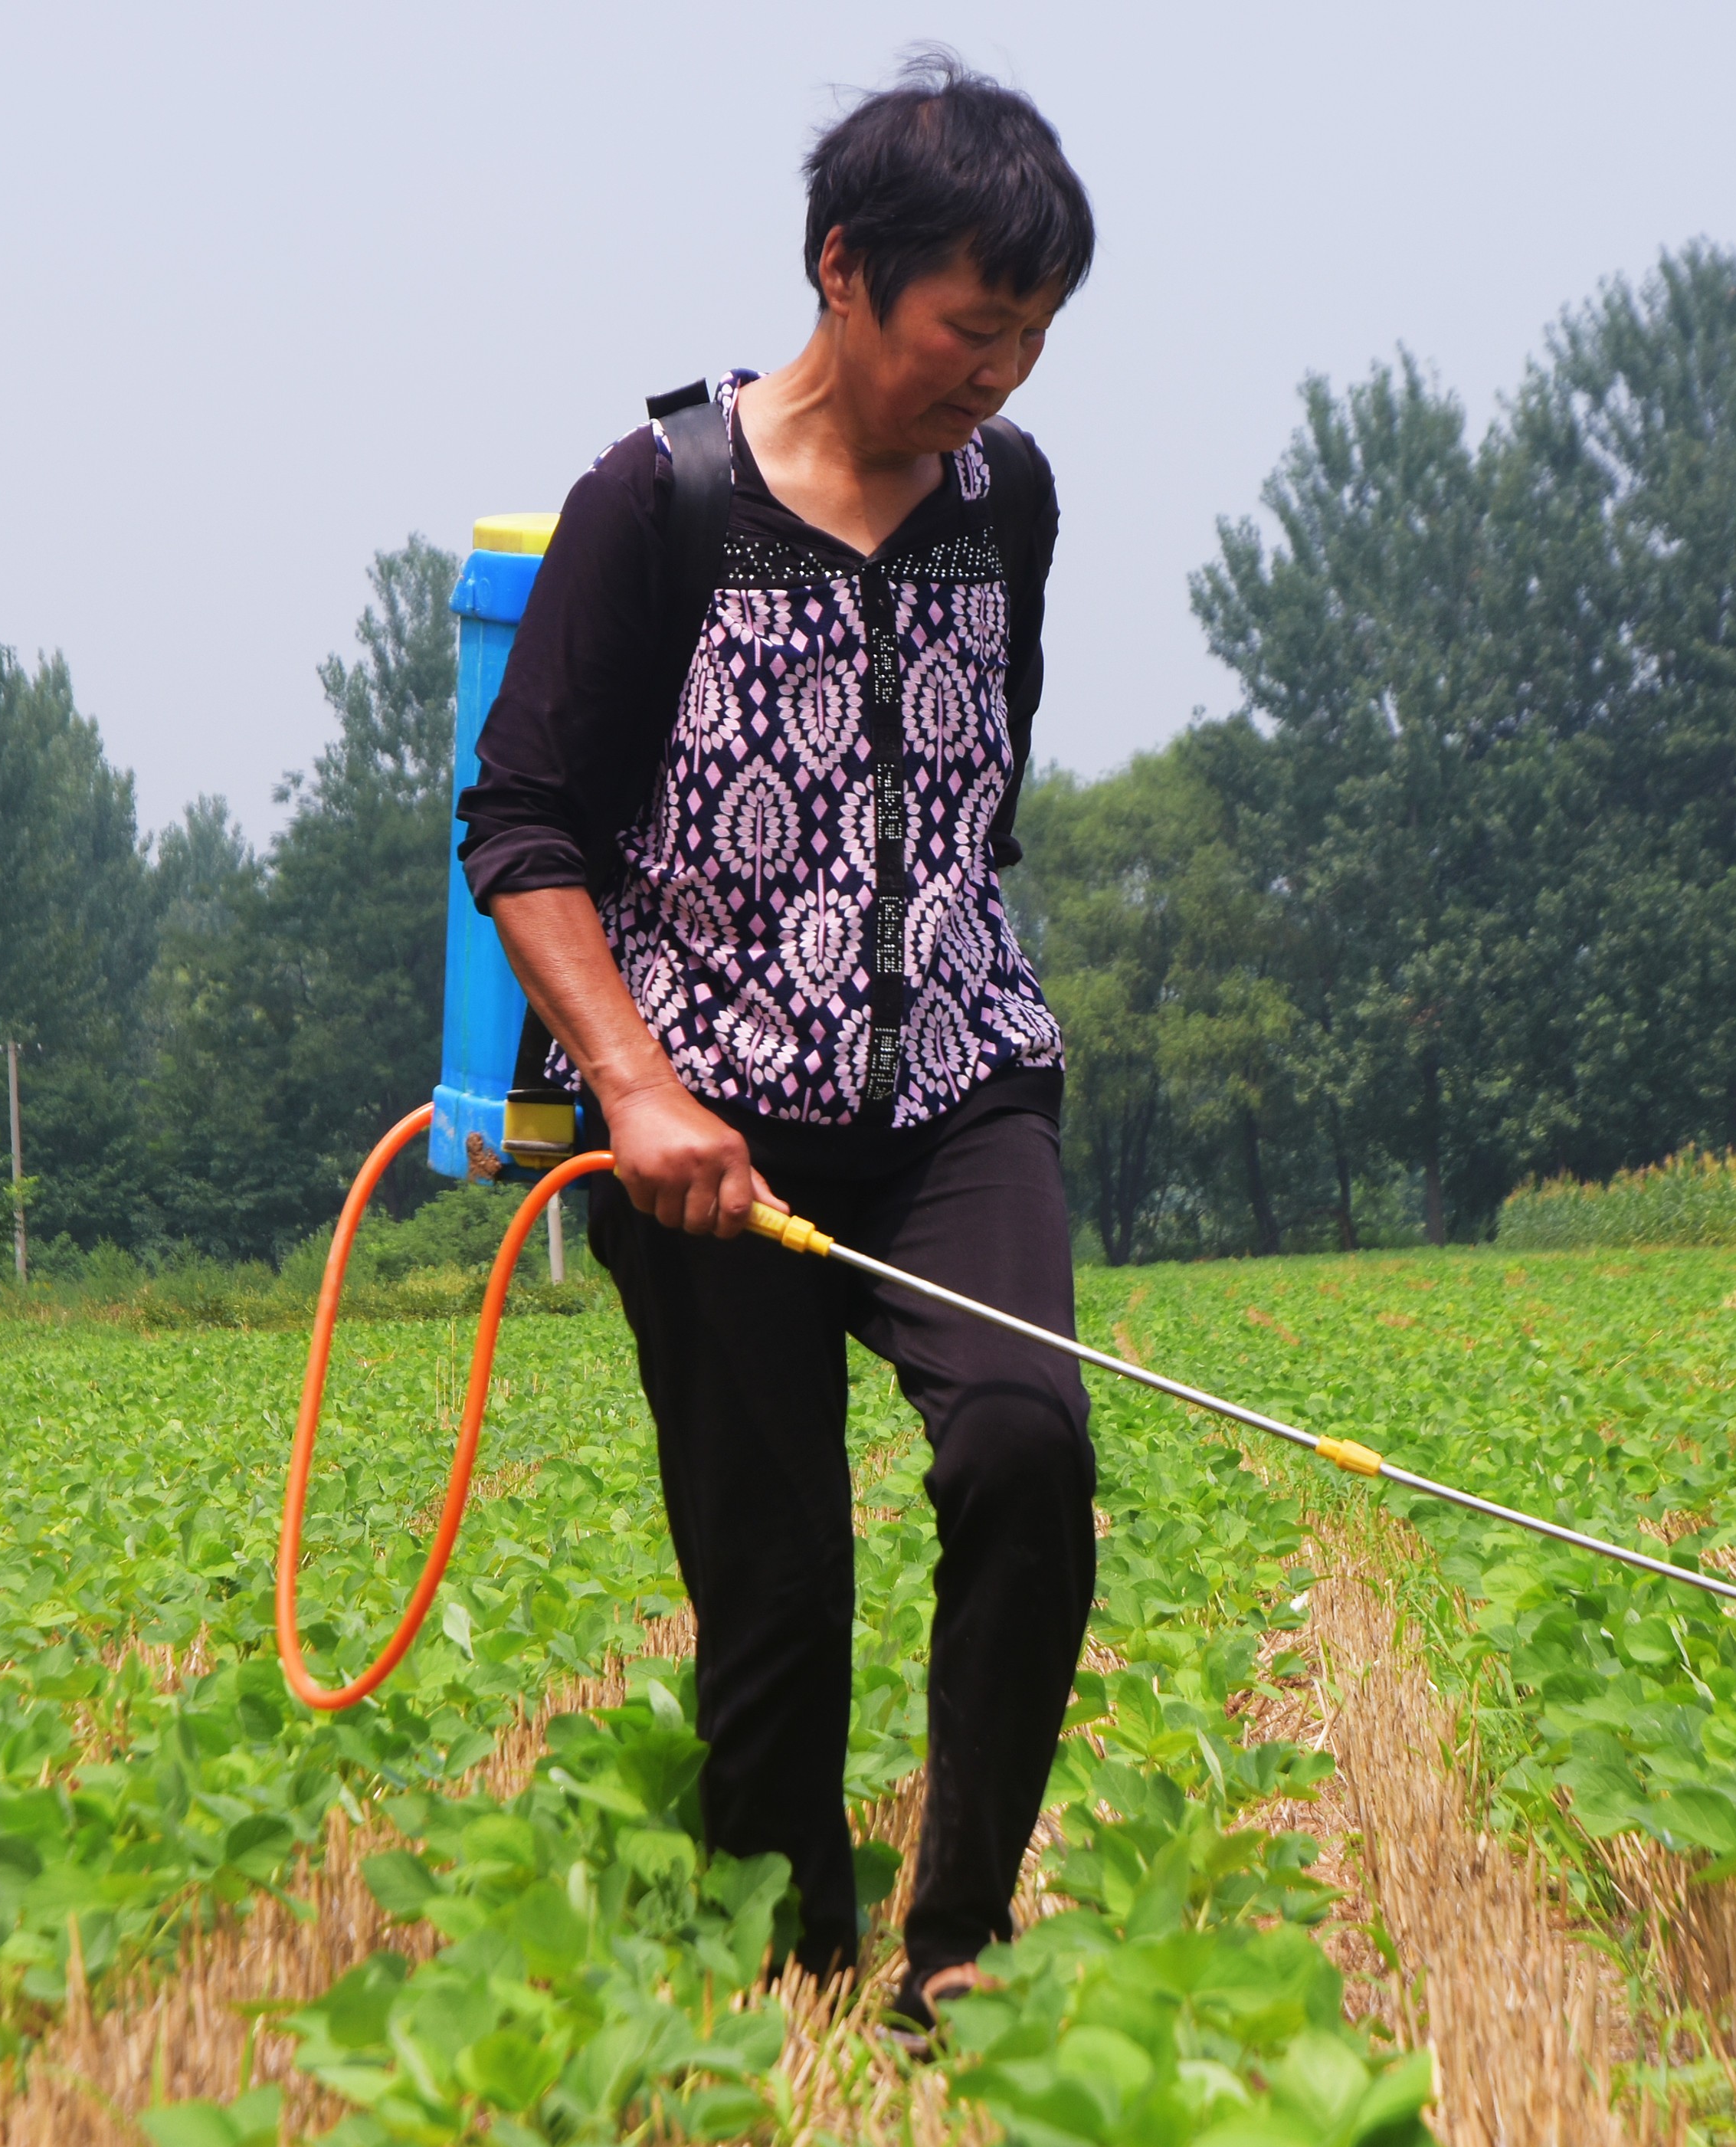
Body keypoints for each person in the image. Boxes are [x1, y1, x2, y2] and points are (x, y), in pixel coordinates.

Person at [454, 55, 1097, 2036]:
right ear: (843, 273)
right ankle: (792, 1974)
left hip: (953, 1094)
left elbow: (980, 790)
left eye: (1031, 341)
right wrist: (638, 1088)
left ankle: (956, 1947)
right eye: (967, 332)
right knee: (775, 1595)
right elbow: (524, 825)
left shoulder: (1011, 502)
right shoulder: (659, 507)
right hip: (705, 1131)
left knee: (1025, 1451)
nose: (995, 379)